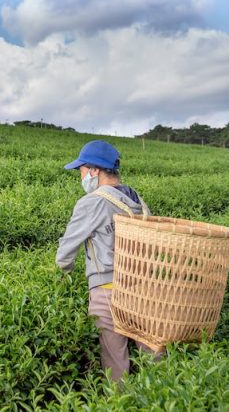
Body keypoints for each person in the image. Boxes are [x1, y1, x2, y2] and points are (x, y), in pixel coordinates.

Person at [56, 139, 158, 381]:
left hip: (109, 290)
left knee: (115, 363)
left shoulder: (93, 202)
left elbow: (67, 249)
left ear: (94, 170)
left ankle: (119, 403)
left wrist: (62, 272)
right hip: (144, 288)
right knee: (152, 356)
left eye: (81, 170)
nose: (81, 176)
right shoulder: (137, 201)